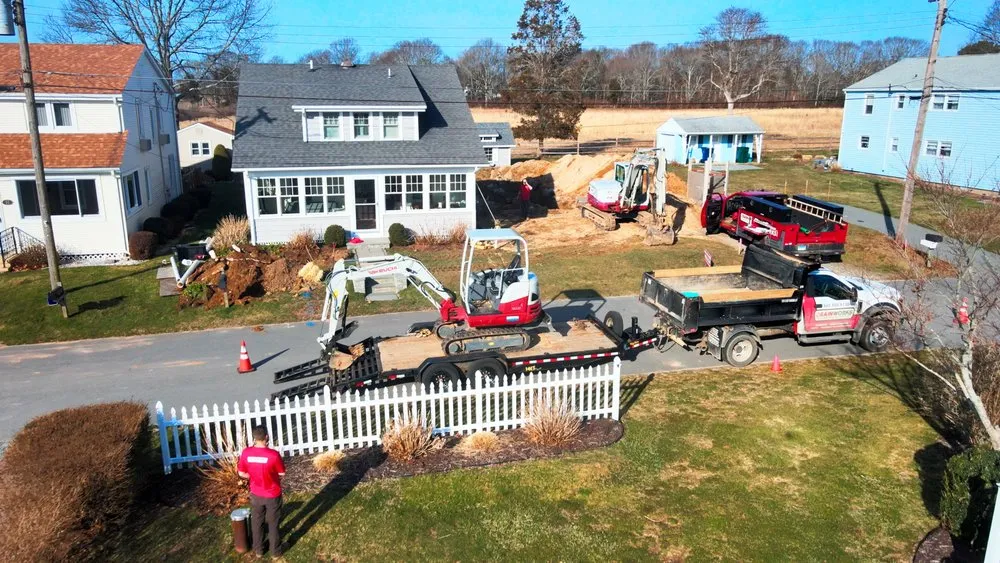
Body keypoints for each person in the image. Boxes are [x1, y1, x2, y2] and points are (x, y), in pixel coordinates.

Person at [238, 425, 286, 557]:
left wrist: (252, 476)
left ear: (254, 438)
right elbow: (281, 473)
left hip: (256, 494)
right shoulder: (273, 455)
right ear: (266, 437)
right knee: (273, 522)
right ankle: (275, 552)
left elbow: (241, 472)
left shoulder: (246, 453)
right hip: (272, 494)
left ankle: (258, 550)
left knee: (257, 521)